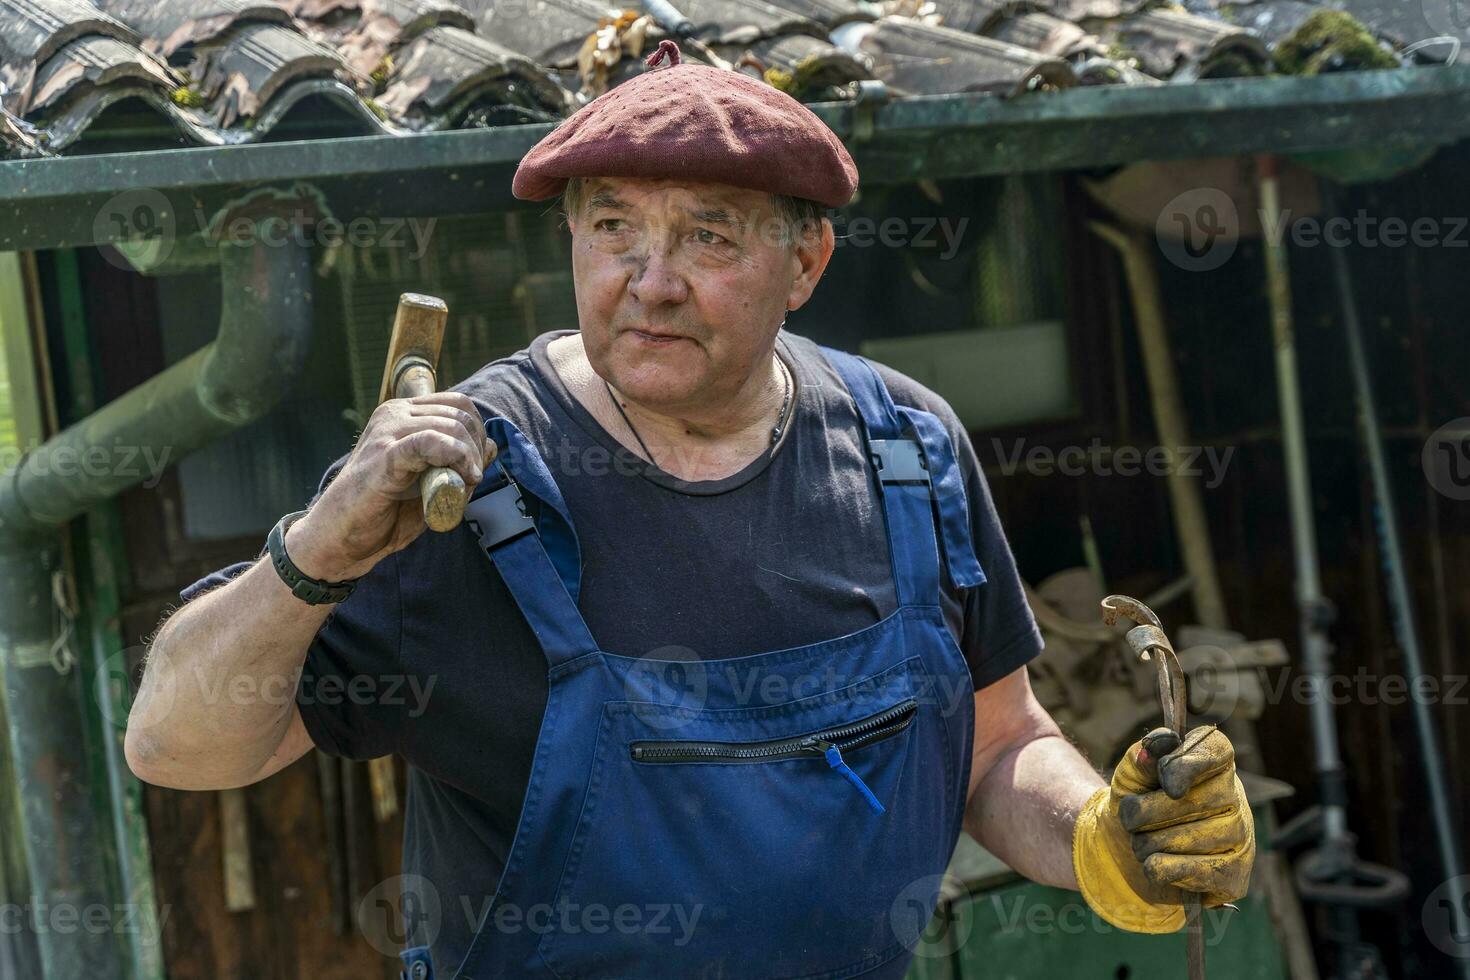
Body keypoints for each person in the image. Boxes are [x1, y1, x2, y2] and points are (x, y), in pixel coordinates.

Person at [127, 39, 1254, 980]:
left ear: (803, 258)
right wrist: (316, 550)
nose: (649, 279)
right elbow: (173, 744)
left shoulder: (907, 451)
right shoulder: (454, 484)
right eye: (613, 226)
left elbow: (997, 746)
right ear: (570, 236)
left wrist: (1104, 840)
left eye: (708, 235)